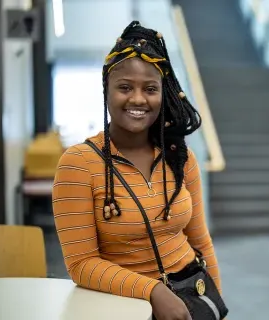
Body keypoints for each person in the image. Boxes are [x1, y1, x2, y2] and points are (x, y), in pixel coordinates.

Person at [52, 21, 223, 320]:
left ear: (163, 95)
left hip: (191, 296)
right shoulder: (78, 164)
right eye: (125, 87)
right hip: (123, 307)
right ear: (106, 90)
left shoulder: (180, 157)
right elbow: (82, 264)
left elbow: (200, 241)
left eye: (150, 89)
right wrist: (153, 291)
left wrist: (216, 305)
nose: (138, 99)